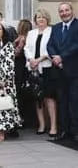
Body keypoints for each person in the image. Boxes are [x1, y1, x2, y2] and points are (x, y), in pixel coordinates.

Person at [47, 1, 78, 145]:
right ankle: (64, 130)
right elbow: (50, 44)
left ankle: (75, 131)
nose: (64, 13)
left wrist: (62, 57)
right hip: (58, 71)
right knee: (62, 102)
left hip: (73, 71)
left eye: (66, 10)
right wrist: (55, 57)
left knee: (74, 101)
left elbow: (76, 45)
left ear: (72, 11)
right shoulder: (56, 28)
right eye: (61, 11)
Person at [24, 8, 57, 138]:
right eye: (38, 17)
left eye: (43, 17)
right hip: (34, 69)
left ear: (47, 19)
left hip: (47, 67)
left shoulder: (52, 31)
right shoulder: (31, 33)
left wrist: (40, 59)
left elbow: (52, 47)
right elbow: (27, 48)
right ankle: (41, 125)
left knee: (49, 97)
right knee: (37, 98)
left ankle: (53, 126)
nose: (40, 19)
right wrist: (31, 60)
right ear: (35, 20)